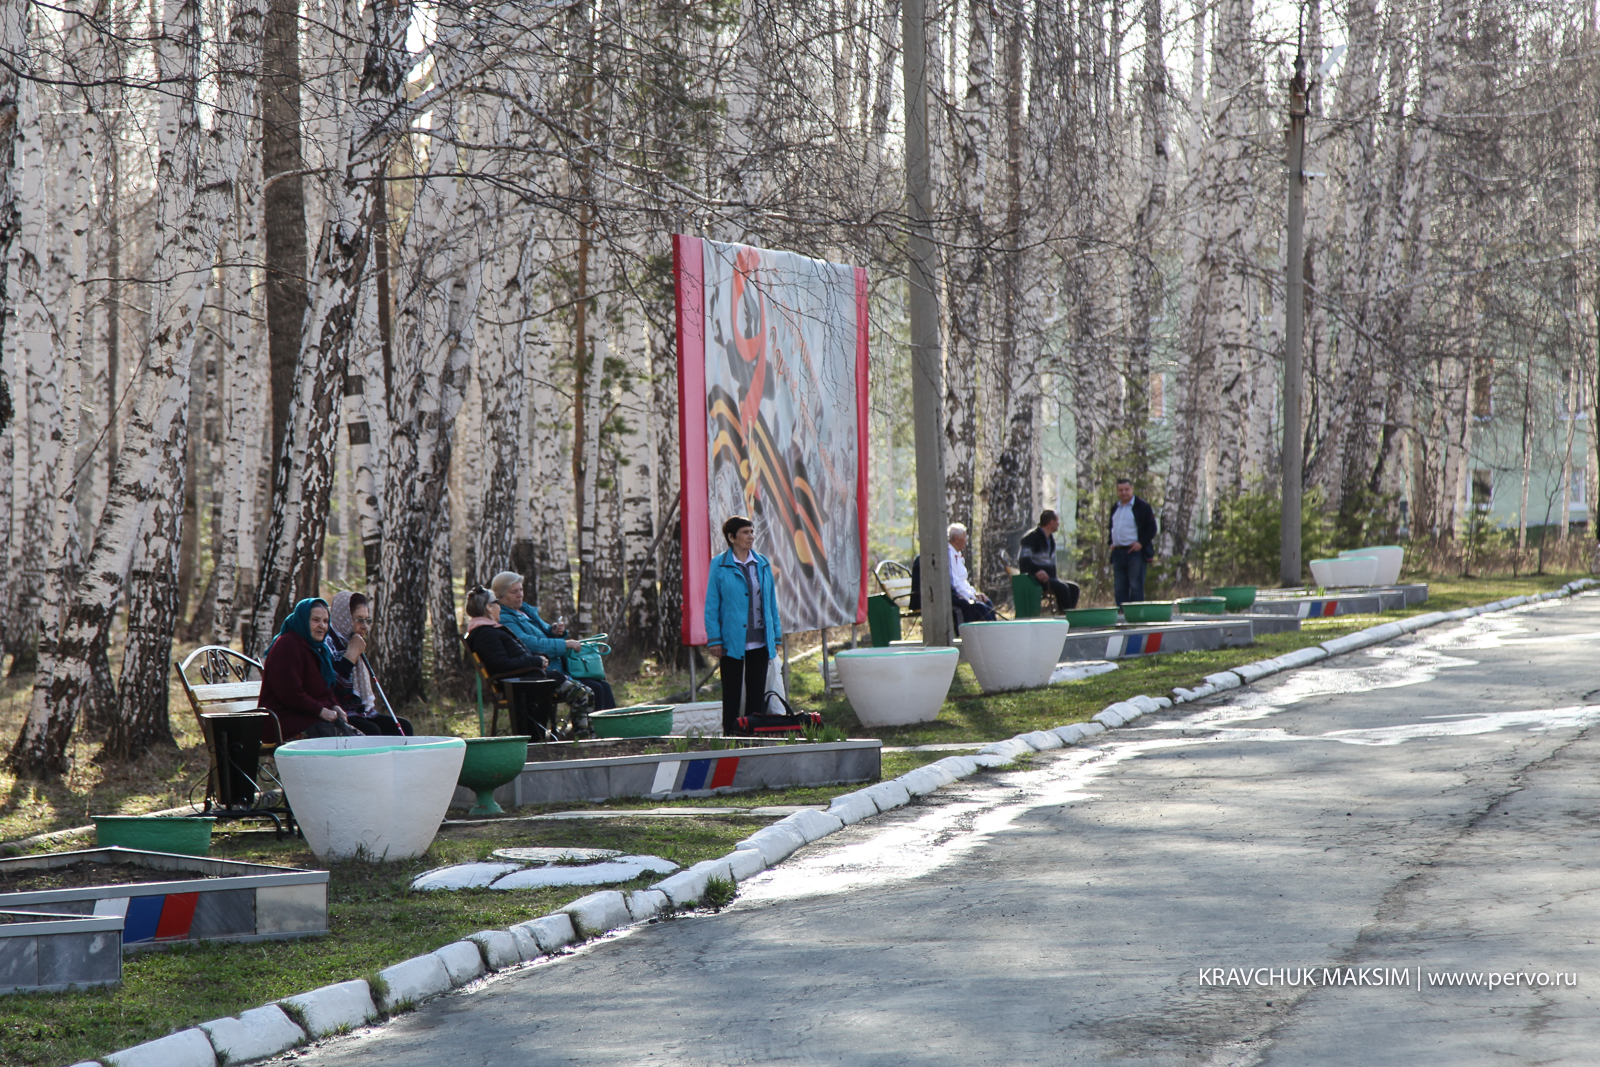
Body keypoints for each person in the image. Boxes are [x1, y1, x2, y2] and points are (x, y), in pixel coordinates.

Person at [462, 587, 593, 732]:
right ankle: (581, 738)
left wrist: (540, 657)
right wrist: (536, 661)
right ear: (489, 607)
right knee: (580, 694)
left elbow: (511, 657)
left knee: (588, 692)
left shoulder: (488, 629)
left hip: (526, 679)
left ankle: (587, 735)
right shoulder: (485, 633)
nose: (499, 606)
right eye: (497, 602)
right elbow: (501, 664)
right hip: (522, 684)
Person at [489, 571, 616, 710]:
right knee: (596, 688)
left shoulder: (525, 611)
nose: (520, 595)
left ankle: (610, 723)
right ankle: (593, 724)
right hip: (541, 673)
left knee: (603, 686)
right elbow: (528, 643)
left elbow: (542, 633)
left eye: (521, 589)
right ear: (500, 596)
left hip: (558, 668)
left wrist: (553, 631)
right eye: (514, 592)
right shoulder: (504, 618)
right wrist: (564, 644)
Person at [704, 515, 783, 735]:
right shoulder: (719, 564)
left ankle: (751, 734)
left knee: (756, 693)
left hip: (760, 640)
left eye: (752, 532)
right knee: (731, 692)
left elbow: (771, 603)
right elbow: (711, 605)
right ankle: (730, 735)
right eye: (745, 533)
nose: (751, 536)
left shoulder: (762, 563)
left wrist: (776, 637)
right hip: (731, 640)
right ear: (732, 537)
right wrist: (714, 639)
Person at [259, 597, 360, 740]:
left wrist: (335, 706)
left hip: (311, 717)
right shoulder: (288, 645)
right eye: (316, 620)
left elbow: (325, 690)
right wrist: (321, 711)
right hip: (285, 721)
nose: (322, 626)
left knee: (357, 740)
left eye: (325, 621)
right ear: (303, 620)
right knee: (340, 742)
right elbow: (290, 693)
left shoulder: (319, 649)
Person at [325, 591, 412, 736]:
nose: (365, 626)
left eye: (367, 620)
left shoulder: (353, 641)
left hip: (359, 712)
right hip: (337, 712)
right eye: (359, 620)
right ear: (343, 618)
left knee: (403, 727)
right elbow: (330, 686)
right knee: (372, 731)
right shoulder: (328, 644)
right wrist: (350, 655)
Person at [1108, 478, 1158, 606]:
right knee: (1119, 586)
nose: (1124, 492)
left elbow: (1152, 528)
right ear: (1117, 491)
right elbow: (1111, 527)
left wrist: (1140, 544)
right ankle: (1121, 613)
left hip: (1135, 553)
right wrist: (1111, 543)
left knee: (1136, 586)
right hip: (1118, 552)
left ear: (1132, 489)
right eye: (1120, 490)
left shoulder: (1142, 506)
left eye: (1126, 489)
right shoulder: (1116, 507)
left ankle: (1136, 614)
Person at [1018, 510, 1080, 613]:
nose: (1059, 523)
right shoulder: (1032, 538)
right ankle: (1065, 616)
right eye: (1057, 521)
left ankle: (1068, 613)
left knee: (1074, 588)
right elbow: (1023, 560)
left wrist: (1054, 578)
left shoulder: (1050, 540)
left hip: (1049, 579)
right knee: (1062, 588)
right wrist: (1036, 571)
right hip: (1033, 579)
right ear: (1051, 522)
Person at [947, 523, 997, 631]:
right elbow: (955, 582)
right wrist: (971, 597)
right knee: (979, 608)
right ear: (956, 538)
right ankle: (989, 633)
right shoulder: (949, 554)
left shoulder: (958, 554)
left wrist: (974, 593)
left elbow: (963, 581)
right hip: (955, 595)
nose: (966, 541)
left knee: (987, 602)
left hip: (964, 593)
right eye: (964, 537)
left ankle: (997, 631)